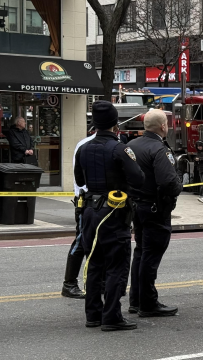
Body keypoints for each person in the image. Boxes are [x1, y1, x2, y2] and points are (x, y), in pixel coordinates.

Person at [74, 101, 144, 331]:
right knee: (117, 265)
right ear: (115, 124)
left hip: (90, 212)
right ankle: (112, 316)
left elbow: (80, 181)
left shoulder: (83, 148)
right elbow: (138, 178)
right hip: (113, 213)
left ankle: (93, 314)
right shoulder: (120, 148)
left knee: (94, 263)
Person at [126, 109, 183, 317]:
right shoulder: (159, 149)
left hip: (136, 207)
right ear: (163, 126)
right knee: (150, 255)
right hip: (155, 208)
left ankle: (136, 300)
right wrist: (179, 187)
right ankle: (148, 303)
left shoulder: (131, 146)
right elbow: (168, 181)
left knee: (141, 252)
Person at [61, 128, 97, 299]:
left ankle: (101, 282)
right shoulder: (85, 145)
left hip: (97, 200)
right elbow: (79, 178)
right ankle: (69, 284)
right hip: (86, 200)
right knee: (82, 241)